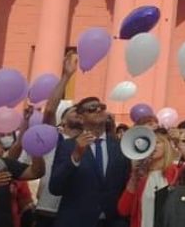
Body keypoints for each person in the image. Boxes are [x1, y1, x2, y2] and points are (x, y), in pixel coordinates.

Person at [49, 97, 130, 227]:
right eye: (92, 109)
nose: (98, 109)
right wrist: (75, 156)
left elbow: (126, 185)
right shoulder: (68, 146)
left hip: (112, 221)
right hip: (76, 221)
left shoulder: (121, 147)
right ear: (81, 118)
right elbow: (55, 187)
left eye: (101, 107)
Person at [117, 129, 185, 227]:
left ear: (166, 145)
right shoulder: (140, 176)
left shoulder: (177, 171)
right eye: (150, 143)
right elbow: (123, 209)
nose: (152, 146)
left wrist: (178, 142)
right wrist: (133, 179)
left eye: (157, 142)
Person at [34, 51, 80, 227]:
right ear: (64, 119)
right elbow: (50, 110)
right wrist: (67, 76)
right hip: (48, 208)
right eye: (72, 111)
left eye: (79, 111)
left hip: (75, 211)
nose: (77, 113)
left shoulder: (89, 141)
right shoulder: (53, 136)